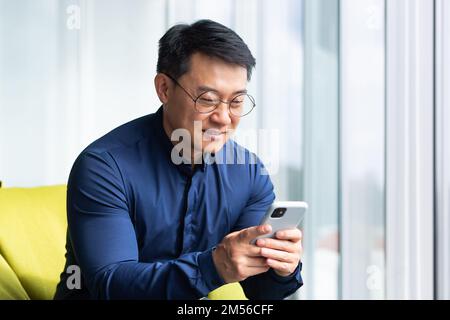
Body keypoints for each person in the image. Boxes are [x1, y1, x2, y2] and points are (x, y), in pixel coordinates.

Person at [54, 19, 303, 300]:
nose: (223, 118)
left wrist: (282, 268)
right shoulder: (104, 167)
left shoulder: (249, 173)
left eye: (236, 102)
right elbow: (111, 285)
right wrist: (215, 266)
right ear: (164, 89)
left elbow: (260, 292)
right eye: (208, 99)